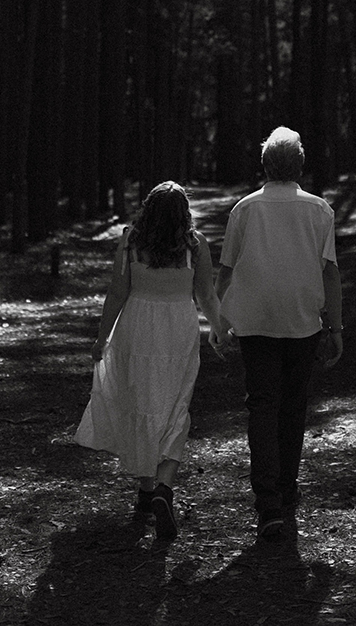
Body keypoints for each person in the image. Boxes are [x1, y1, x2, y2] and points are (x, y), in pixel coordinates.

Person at [74, 181, 224, 541]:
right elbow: (205, 293)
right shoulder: (194, 245)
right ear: (184, 213)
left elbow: (117, 291)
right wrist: (220, 330)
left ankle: (146, 489)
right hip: (178, 330)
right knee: (175, 406)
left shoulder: (131, 242)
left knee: (140, 402)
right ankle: (162, 488)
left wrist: (101, 337)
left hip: (138, 327)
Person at [213, 126, 343, 541]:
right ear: (300, 164)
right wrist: (336, 326)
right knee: (293, 406)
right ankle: (285, 490)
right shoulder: (319, 210)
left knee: (263, 406)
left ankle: (268, 502)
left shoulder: (244, 210)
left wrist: (218, 322)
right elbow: (331, 272)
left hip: (256, 322)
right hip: (303, 320)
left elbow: (227, 270)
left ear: (265, 164)